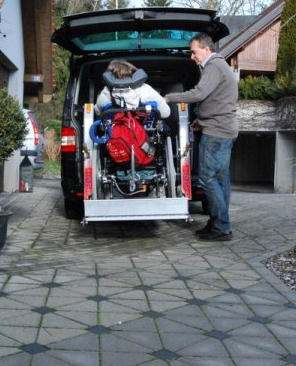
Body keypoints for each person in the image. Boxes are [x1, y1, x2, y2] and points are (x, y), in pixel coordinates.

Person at [164, 33, 238, 241]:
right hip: (223, 128)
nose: (192, 57)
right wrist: (201, 120)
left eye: (194, 52)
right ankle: (218, 223)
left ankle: (221, 227)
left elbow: (198, 94)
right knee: (221, 180)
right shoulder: (221, 65)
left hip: (216, 133)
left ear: (206, 49)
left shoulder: (213, 65)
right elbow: (217, 99)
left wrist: (168, 97)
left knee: (208, 179)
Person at [95, 59, 170, 118]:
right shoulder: (147, 90)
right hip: (145, 133)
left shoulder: (105, 93)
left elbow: (97, 113)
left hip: (115, 134)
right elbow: (165, 114)